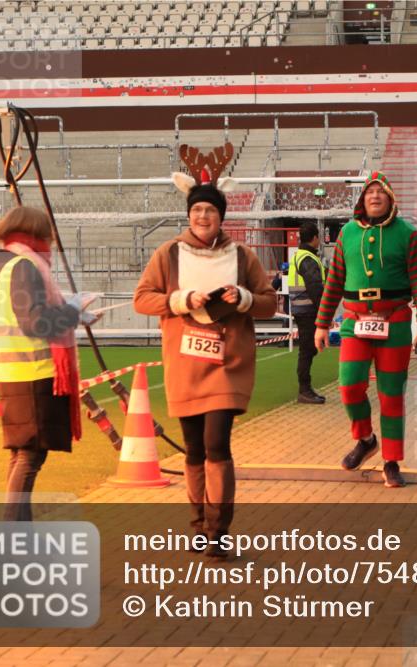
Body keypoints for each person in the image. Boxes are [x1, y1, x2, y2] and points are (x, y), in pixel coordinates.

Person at [134, 153, 277, 559]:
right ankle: (198, 524)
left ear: (221, 216)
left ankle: (218, 530)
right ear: (188, 214)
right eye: (196, 209)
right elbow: (143, 298)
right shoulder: (169, 254)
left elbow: (268, 303)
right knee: (194, 449)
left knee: (217, 444)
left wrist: (244, 298)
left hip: (227, 365)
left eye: (210, 210)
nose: (202, 216)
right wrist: (181, 300)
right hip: (185, 363)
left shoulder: (243, 256)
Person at [0, 206, 100, 521]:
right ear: (38, 234)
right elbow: (36, 322)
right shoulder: (26, 265)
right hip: (33, 370)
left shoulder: (9, 265)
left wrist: (72, 313)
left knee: (22, 455)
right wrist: (71, 311)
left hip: (13, 370)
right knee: (30, 456)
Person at [314, 171, 417, 488]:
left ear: (391, 199)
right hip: (355, 322)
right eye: (370, 193)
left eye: (381, 193)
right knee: (349, 385)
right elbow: (334, 281)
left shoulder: (407, 234)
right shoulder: (347, 234)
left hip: (394, 320)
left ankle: (392, 461)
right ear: (362, 200)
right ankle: (366, 439)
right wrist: (322, 323)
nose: (375, 197)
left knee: (391, 394)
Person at [287, 222, 326, 404]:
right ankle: (304, 390)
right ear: (315, 238)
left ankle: (306, 388)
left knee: (308, 349)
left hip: (301, 309)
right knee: (307, 350)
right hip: (308, 310)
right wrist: (324, 312)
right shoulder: (308, 258)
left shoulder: (300, 256)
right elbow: (315, 286)